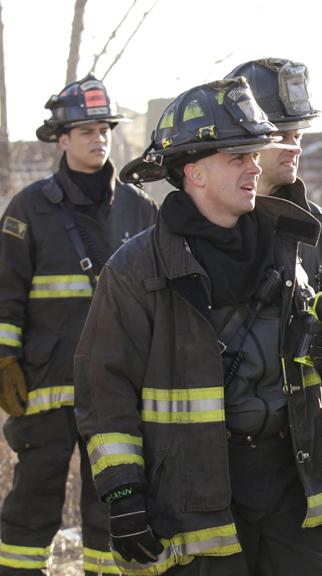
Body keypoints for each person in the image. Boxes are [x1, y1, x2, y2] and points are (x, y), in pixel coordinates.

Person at [74, 77, 322, 576]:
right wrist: (123, 494)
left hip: (294, 478)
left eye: (254, 154)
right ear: (195, 172)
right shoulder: (137, 268)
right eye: (238, 157)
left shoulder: (293, 242)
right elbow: (103, 389)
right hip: (196, 488)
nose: (256, 166)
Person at [0, 76, 157, 576]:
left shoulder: (140, 208)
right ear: (62, 139)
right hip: (44, 386)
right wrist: (4, 359)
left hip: (118, 388)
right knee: (33, 497)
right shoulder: (28, 209)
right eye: (86, 130)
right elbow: (6, 292)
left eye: (104, 129)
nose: (99, 138)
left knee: (111, 501)